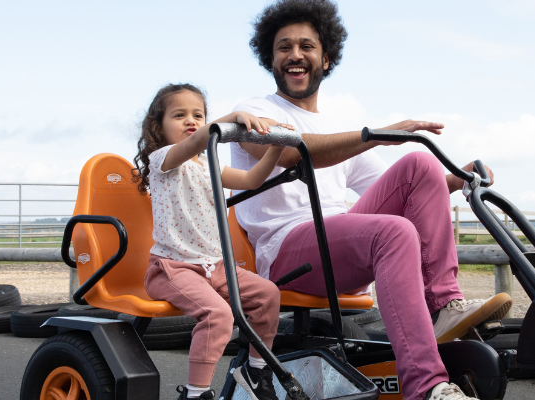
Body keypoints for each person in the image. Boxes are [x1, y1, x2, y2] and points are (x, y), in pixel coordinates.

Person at [230, 1, 513, 399]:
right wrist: (376, 133)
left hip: (340, 243)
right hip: (286, 252)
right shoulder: (254, 112)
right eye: (284, 47)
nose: (295, 55)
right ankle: (427, 388)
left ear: (325, 59)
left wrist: (457, 178)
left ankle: (446, 305)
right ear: (270, 58)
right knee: (394, 230)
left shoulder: (335, 127)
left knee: (418, 162)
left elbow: (405, 192)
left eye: (307, 47)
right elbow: (294, 152)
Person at [133, 83, 293, 400]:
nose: (191, 120)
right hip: (173, 268)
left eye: (198, 114)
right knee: (218, 314)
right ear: (158, 126)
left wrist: (275, 147)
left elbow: (250, 180)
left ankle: (255, 370)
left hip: (214, 267)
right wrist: (231, 118)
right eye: (179, 115)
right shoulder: (163, 159)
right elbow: (197, 140)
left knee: (268, 294)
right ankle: (196, 393)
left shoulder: (208, 166)